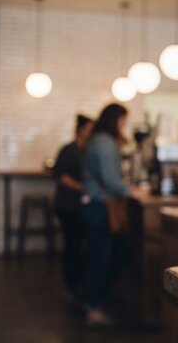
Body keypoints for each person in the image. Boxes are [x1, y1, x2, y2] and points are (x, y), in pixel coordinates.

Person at [81, 103, 145, 325]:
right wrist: (132, 191)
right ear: (115, 121)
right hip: (101, 206)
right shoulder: (105, 143)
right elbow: (111, 181)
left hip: (95, 204)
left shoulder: (97, 140)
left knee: (107, 254)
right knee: (103, 257)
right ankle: (93, 306)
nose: (123, 127)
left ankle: (94, 299)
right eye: (122, 122)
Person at [52, 114, 94, 300]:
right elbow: (60, 175)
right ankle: (70, 285)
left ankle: (80, 282)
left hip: (81, 206)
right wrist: (82, 187)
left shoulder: (88, 150)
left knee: (81, 245)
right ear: (81, 129)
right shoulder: (69, 150)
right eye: (90, 129)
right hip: (67, 205)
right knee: (72, 245)